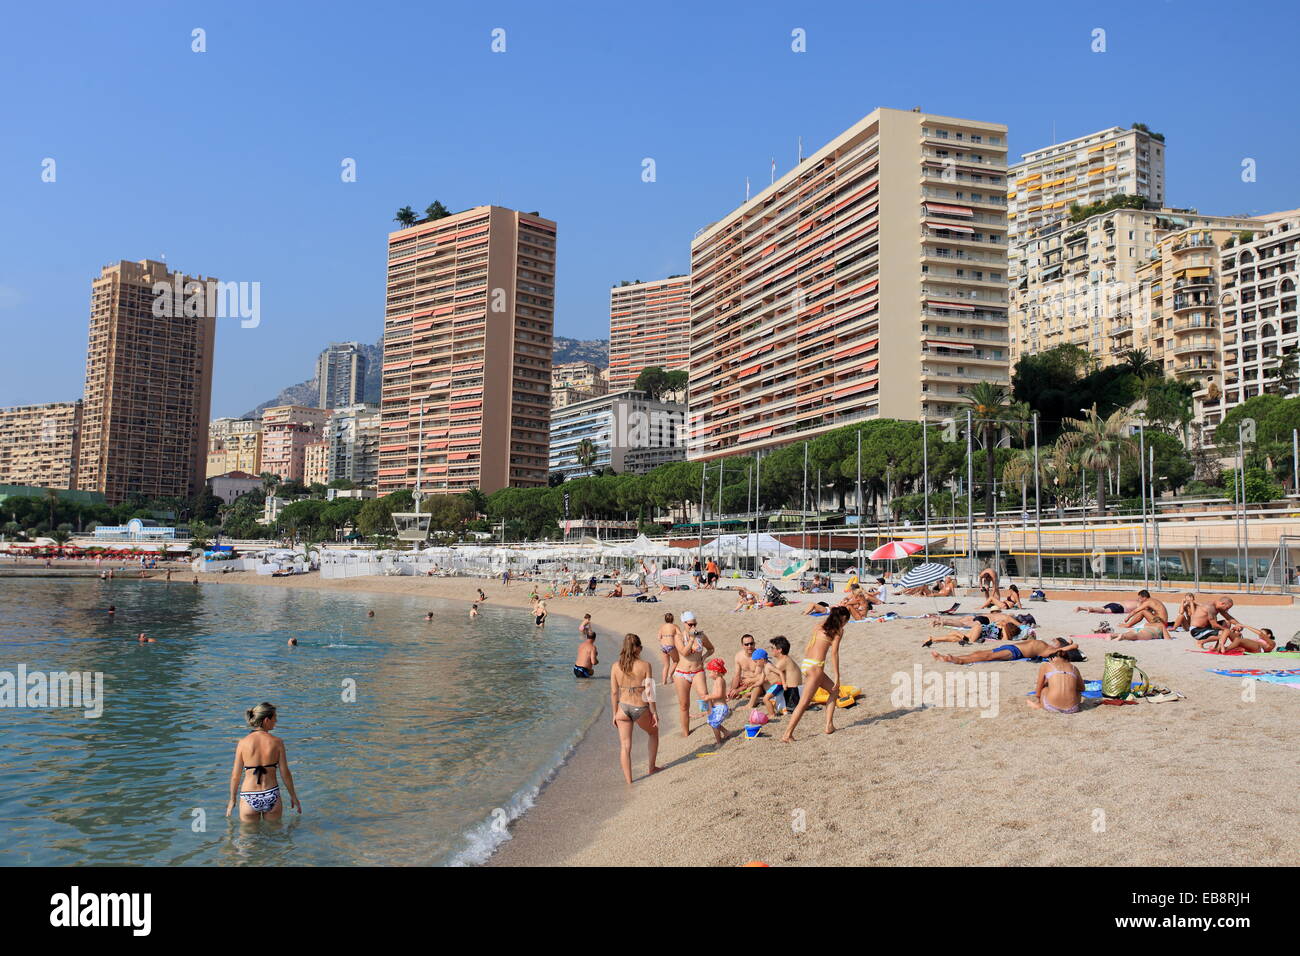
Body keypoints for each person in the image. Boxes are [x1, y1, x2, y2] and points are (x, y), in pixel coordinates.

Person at [781, 606, 851, 743]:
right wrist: (837, 675)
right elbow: (834, 654)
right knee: (804, 702)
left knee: (834, 691)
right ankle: (787, 734)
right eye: (846, 621)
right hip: (816, 668)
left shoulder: (819, 625)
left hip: (807, 663)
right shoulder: (838, 632)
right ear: (843, 619)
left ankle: (829, 725)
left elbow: (810, 645)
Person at [227, 702, 301, 821]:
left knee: (248, 838)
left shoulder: (242, 743)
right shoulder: (277, 742)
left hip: (249, 796)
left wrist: (232, 800)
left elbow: (235, 776)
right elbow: (285, 773)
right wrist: (293, 796)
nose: (276, 722)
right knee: (275, 836)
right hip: (271, 794)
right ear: (266, 720)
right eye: (274, 719)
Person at [610, 633, 661, 783]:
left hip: (622, 709)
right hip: (640, 707)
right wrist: (654, 712)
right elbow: (649, 691)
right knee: (653, 733)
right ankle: (651, 767)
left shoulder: (615, 666)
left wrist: (614, 713)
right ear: (638, 648)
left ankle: (629, 780)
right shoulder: (645, 665)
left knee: (625, 746)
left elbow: (614, 692)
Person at [671, 613, 715, 737]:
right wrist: (691, 639)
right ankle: (685, 733)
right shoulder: (678, 637)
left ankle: (715, 724)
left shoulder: (701, 636)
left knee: (705, 697)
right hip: (681, 673)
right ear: (684, 624)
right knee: (684, 705)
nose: (693, 626)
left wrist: (704, 657)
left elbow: (711, 649)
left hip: (697, 671)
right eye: (690, 624)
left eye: (695, 624)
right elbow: (684, 652)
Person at [931, 636, 1079, 665]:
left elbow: (1064, 649)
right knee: (980, 653)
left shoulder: (1049, 651)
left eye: (1057, 640)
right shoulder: (1046, 645)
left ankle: (957, 660)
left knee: (987, 656)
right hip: (1010, 647)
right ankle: (954, 657)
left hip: (1016, 653)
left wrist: (1071, 646)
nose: (1054, 639)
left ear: (1059, 646)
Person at [1026, 646, 1084, 714]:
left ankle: (1039, 705)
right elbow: (1082, 688)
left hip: (1051, 706)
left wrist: (1039, 699)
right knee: (1077, 691)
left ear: (1052, 658)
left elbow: (1038, 689)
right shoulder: (1074, 668)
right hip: (1073, 708)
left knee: (1044, 689)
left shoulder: (1046, 665)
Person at [922, 613, 1021, 647]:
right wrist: (1004, 626)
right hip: (979, 628)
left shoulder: (1003, 631)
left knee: (956, 640)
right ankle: (959, 634)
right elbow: (1006, 640)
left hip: (979, 631)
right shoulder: (1001, 627)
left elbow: (1005, 640)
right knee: (969, 641)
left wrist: (1004, 628)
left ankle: (934, 639)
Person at [762, 636, 804, 716]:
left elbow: (768, 677)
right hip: (795, 691)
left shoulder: (783, 661)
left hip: (793, 693)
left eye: (772, 647)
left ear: (779, 650)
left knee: (767, 685)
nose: (771, 650)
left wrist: (750, 681)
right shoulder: (785, 659)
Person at [697, 658, 732, 744]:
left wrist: (708, 697)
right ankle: (726, 732)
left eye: (710, 672)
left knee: (714, 724)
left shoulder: (719, 680)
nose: (709, 674)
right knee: (712, 722)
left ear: (715, 672)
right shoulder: (717, 680)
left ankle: (719, 742)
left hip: (721, 707)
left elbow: (719, 695)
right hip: (717, 707)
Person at [729, 635, 766, 703]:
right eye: (746, 644)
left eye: (751, 643)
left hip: (757, 683)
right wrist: (733, 690)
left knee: (749, 693)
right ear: (742, 645)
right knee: (733, 682)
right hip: (745, 682)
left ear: (754, 644)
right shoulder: (739, 656)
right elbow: (737, 675)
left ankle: (745, 696)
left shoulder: (759, 657)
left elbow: (758, 677)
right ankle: (735, 693)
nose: (749, 646)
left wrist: (739, 689)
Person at [1200, 623, 1276, 654]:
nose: (1260, 633)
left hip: (1258, 648)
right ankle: (1221, 645)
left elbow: (1260, 634)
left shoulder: (1272, 643)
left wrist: (1245, 626)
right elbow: (1260, 634)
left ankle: (1223, 649)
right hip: (1248, 645)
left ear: (1269, 635)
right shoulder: (1259, 639)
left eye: (1263, 632)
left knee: (1238, 640)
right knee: (1227, 631)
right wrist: (1234, 630)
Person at [657, 612, 682, 685]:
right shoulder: (675, 626)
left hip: (663, 646)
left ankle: (664, 681)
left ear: (665, 619)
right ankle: (670, 675)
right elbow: (680, 635)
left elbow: (659, 638)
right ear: (673, 619)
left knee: (666, 665)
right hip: (671, 646)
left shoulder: (662, 627)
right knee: (676, 661)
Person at [1075, 598, 1141, 615]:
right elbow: (1139, 610)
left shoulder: (1131, 600)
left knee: (1099, 608)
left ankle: (1082, 608)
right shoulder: (1139, 604)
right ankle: (1090, 609)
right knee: (1103, 611)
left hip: (1114, 604)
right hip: (1119, 608)